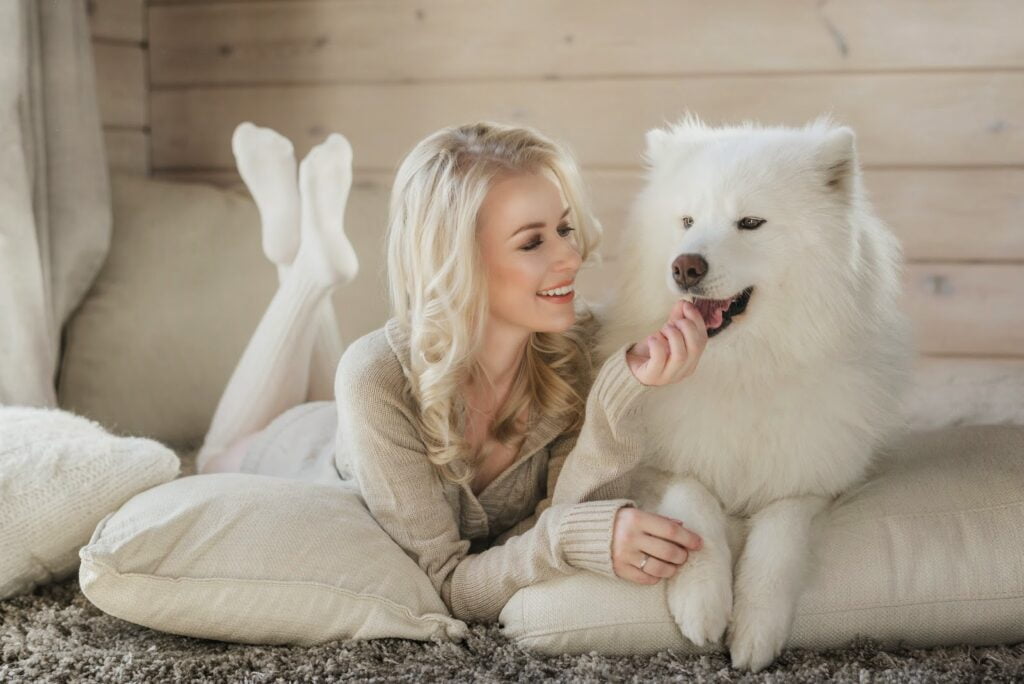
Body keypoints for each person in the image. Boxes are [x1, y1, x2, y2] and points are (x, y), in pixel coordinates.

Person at [196, 120, 708, 624]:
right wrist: (567, 540)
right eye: (533, 242)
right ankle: (304, 271)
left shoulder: (583, 348)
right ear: (457, 259)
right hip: (300, 449)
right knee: (211, 457)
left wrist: (621, 393)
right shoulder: (376, 378)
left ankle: (306, 256)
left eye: (565, 228)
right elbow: (449, 585)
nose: (572, 256)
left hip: (360, 416)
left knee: (355, 376)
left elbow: (571, 512)